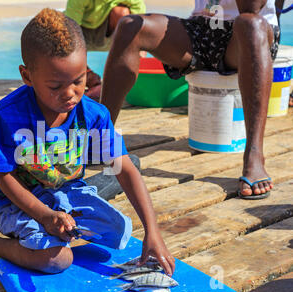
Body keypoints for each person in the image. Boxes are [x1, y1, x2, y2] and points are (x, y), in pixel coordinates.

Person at [0, 8, 174, 288]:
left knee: (119, 232)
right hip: (15, 203)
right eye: (55, 86)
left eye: (79, 80)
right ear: (27, 76)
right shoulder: (7, 115)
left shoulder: (93, 114)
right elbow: (4, 178)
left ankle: (41, 236)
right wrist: (45, 216)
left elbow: (125, 168)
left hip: (67, 196)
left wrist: (152, 231)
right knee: (56, 260)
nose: (70, 93)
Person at [100, 0, 280, 200]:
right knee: (129, 25)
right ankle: (98, 136)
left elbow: (251, 8)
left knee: (250, 23)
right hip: (202, 28)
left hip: (250, 37)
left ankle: (254, 155)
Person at [64, 0, 146, 101]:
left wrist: (140, 46)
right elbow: (70, 29)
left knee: (122, 13)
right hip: (81, 34)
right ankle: (89, 79)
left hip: (110, 36)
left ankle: (116, 81)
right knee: (58, 30)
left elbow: (139, 9)